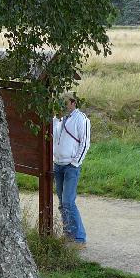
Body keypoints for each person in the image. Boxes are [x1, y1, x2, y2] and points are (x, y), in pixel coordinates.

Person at [52, 94, 91, 245]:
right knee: (62, 202)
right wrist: (55, 119)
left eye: (65, 103)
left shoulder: (81, 119)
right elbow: (54, 137)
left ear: (73, 103)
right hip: (58, 164)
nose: (62, 106)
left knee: (68, 201)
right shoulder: (60, 118)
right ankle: (68, 234)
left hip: (70, 166)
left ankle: (79, 238)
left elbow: (85, 143)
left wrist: (75, 163)